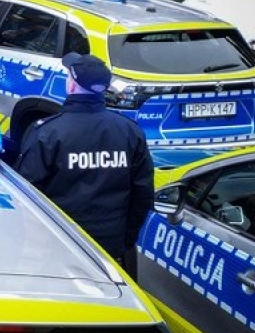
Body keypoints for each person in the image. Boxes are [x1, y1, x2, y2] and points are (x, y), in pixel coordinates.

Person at [17, 53, 153, 273]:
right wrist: (125, 241)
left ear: (72, 85)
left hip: (61, 243)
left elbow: (25, 192)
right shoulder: (129, 131)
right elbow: (143, 193)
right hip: (110, 245)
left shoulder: (48, 132)